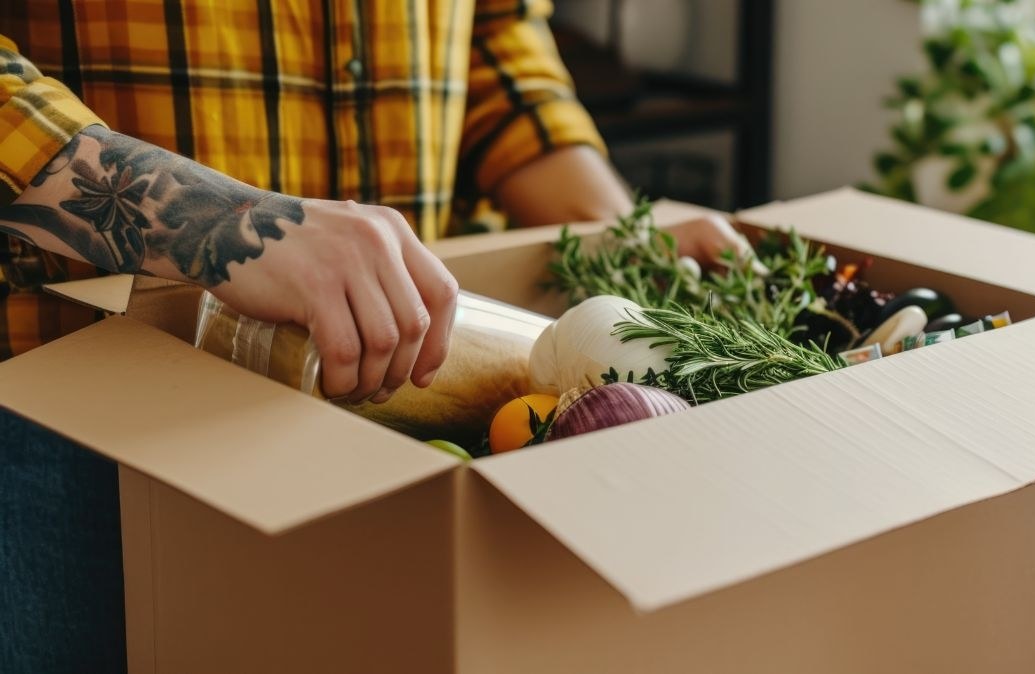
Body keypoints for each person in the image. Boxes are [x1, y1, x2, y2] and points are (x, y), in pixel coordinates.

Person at [0, 2, 748, 671]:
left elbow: (492, 37)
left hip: (410, 422)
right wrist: (220, 222)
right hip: (88, 419)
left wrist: (619, 237)